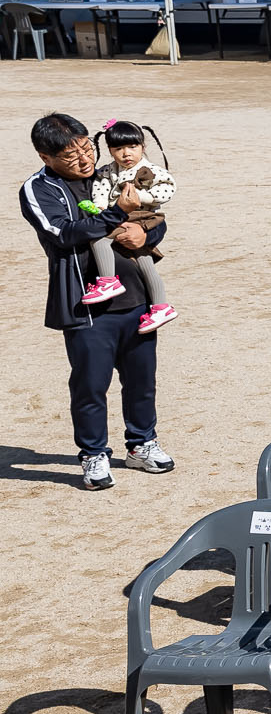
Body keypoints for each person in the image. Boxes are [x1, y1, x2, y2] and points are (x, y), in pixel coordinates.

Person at [23, 113, 171, 489]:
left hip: (136, 294)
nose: (84, 159)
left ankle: (141, 445)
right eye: (70, 156)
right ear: (46, 157)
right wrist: (117, 214)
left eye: (86, 147)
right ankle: (93, 455)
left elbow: (154, 213)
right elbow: (64, 232)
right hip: (84, 302)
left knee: (142, 380)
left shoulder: (112, 170)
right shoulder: (38, 189)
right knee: (90, 384)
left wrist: (145, 233)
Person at [81, 119, 176, 331]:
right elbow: (100, 188)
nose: (126, 154)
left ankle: (107, 281)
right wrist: (101, 206)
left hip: (141, 216)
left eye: (132, 147)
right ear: (110, 150)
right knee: (145, 263)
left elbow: (168, 187)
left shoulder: (150, 170)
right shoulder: (107, 170)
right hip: (120, 216)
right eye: (119, 149)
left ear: (143, 146)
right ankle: (161, 306)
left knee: (99, 238)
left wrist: (143, 196)